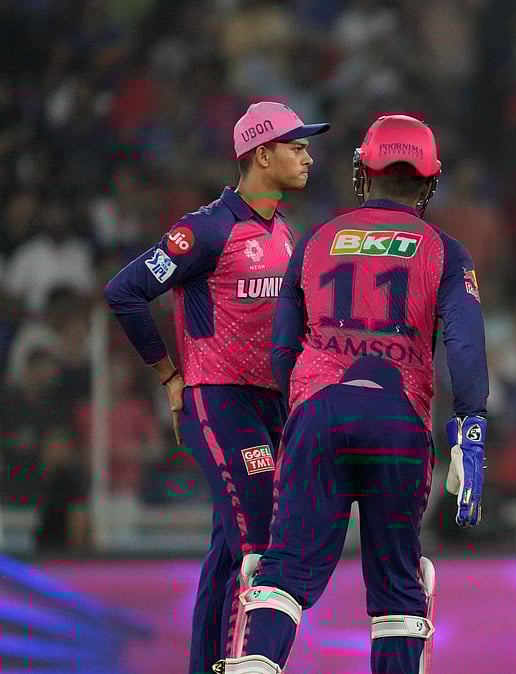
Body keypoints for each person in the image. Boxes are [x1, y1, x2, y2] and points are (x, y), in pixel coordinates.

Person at [214, 114, 488, 674]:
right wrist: (471, 430)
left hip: (320, 410)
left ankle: (257, 663)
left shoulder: (315, 240)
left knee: (286, 567)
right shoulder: (446, 251)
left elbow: (282, 351)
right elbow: (465, 349)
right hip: (400, 422)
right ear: (429, 181)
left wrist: (299, 418)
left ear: (363, 171)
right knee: (397, 583)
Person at [102, 101, 328, 674]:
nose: (308, 157)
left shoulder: (286, 234)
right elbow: (124, 291)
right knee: (261, 538)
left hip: (274, 403)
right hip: (221, 399)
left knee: (230, 544)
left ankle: (208, 665)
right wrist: (168, 375)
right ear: (262, 154)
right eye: (297, 147)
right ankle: (246, 662)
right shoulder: (204, 230)